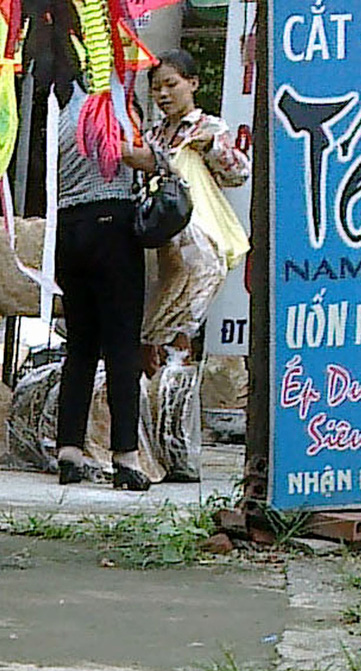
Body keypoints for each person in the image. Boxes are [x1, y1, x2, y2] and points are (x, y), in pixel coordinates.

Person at [51, 80, 160, 489]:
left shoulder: (60, 110)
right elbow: (139, 157)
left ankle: (69, 451)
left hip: (66, 231)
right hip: (112, 227)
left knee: (80, 348)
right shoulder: (111, 106)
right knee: (121, 347)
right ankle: (126, 458)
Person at [142, 48, 251, 367]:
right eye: (157, 87)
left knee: (197, 280)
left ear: (193, 84)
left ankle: (177, 346)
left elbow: (239, 174)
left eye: (171, 84)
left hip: (196, 235)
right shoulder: (151, 136)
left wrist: (211, 148)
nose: (163, 94)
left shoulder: (210, 128)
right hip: (160, 240)